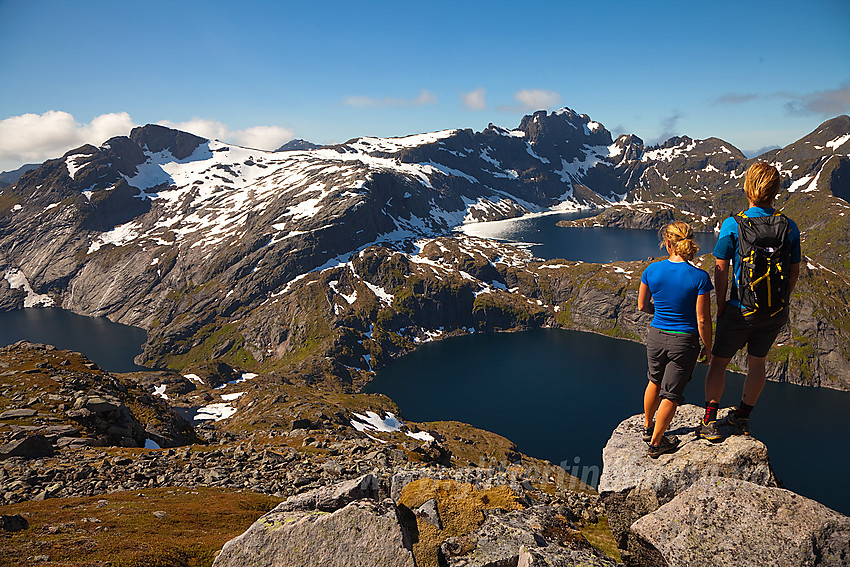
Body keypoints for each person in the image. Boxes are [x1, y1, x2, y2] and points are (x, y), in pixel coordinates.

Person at [699, 162, 801, 440]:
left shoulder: (734, 224)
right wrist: (782, 300)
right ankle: (742, 416)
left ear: (748, 188)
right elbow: (793, 271)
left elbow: (721, 268)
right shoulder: (789, 226)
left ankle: (710, 420)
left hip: (740, 310)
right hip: (774, 311)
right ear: (775, 190)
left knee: (719, 363)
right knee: (758, 363)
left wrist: (721, 304)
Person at [638, 221, 713, 458]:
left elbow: (642, 305)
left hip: (656, 335)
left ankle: (648, 428)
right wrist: (708, 347)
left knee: (654, 381)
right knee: (670, 393)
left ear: (667, 243)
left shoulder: (651, 270)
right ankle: (657, 443)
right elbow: (702, 319)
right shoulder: (699, 277)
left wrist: (660, 313)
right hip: (684, 340)